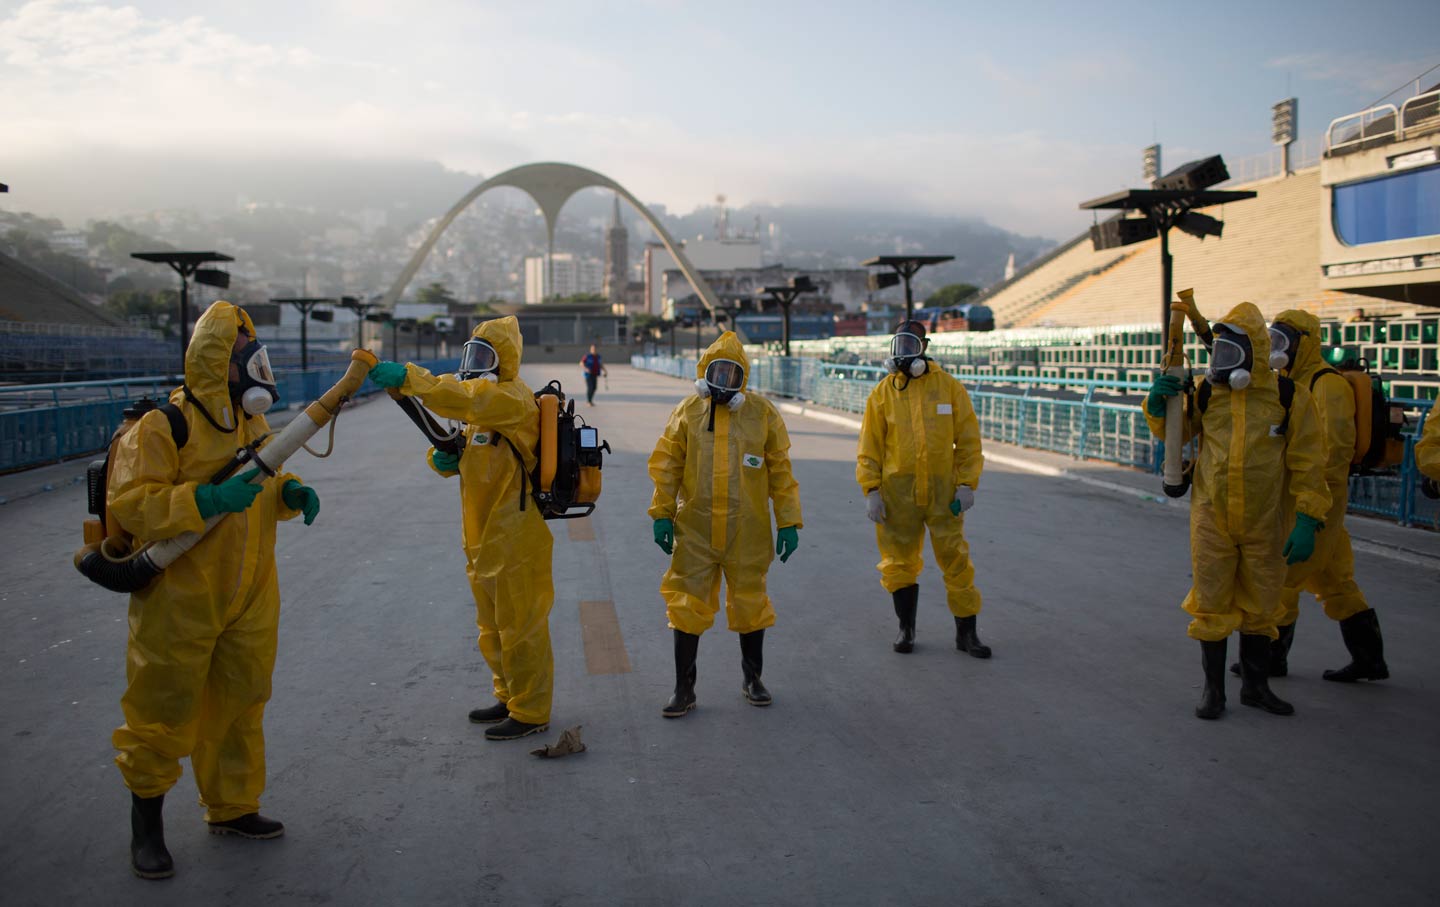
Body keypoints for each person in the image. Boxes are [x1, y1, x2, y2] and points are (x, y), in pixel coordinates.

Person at [110, 301, 321, 879]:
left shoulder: (251, 423)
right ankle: (145, 827)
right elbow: (130, 505)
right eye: (238, 352)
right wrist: (201, 501)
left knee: (241, 701)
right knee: (163, 707)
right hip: (181, 597)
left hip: (250, 592)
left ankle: (232, 806)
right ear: (214, 359)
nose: (252, 363)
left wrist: (290, 493)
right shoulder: (163, 427)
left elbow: (262, 482)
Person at [368, 316, 555, 741]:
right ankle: (508, 696)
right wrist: (445, 462)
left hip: (516, 537)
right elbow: (475, 458)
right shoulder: (482, 413)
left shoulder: (509, 398)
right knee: (491, 626)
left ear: (505, 360)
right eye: (472, 353)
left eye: (485, 355)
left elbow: (458, 397)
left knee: (520, 627)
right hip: (482, 536)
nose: (475, 364)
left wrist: (410, 377)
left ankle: (531, 710)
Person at [1144, 302, 1330, 721]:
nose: (1222, 363)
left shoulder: (1289, 397)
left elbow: (1308, 461)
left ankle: (1256, 686)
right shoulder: (1209, 392)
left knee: (1262, 604)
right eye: (1218, 353)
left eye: (1231, 353)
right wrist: (1158, 406)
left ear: (1256, 353)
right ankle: (1214, 691)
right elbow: (1178, 432)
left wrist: (1308, 517)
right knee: (1211, 601)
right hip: (1212, 517)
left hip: (1267, 520)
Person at [648, 331, 802, 717]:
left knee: (750, 603)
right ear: (704, 372)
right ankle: (684, 688)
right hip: (695, 529)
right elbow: (667, 467)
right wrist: (662, 513)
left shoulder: (762, 414)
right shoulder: (687, 412)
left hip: (747, 531)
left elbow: (781, 471)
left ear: (743, 378)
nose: (724, 382)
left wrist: (788, 521)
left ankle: (753, 679)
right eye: (717, 373)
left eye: (733, 375)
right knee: (685, 605)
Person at [1258, 309, 1387, 682]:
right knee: (1335, 580)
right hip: (1304, 497)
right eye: (1273, 341)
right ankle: (1370, 660)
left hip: (1318, 501)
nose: (1277, 349)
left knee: (1284, 575)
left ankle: (1271, 657)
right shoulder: (1286, 381)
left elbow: (1332, 453)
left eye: (1284, 341)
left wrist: (1310, 512)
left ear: (1306, 343)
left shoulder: (1327, 386)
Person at [856, 320, 989, 657]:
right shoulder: (882, 394)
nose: (904, 353)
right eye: (899, 346)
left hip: (944, 496)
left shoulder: (949, 388)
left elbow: (969, 442)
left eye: (911, 346)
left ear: (924, 348)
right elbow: (869, 447)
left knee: (956, 560)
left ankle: (967, 634)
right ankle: (906, 629)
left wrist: (966, 484)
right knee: (898, 563)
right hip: (897, 496)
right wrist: (871, 490)